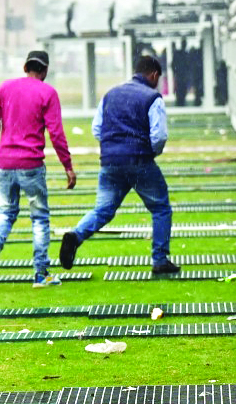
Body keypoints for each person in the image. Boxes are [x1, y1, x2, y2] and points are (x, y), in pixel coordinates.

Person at [59, 54, 178, 274]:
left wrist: (114, 146)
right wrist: (150, 152)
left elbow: (97, 128)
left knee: (103, 209)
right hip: (140, 160)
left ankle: (76, 235)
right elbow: (159, 135)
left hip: (110, 162)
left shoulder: (110, 94)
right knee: (160, 207)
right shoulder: (153, 98)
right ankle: (160, 259)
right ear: (153, 75)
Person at [0, 50, 77, 287]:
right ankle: (41, 273)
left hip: (5, 161)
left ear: (25, 67)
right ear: (45, 70)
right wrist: (67, 165)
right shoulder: (48, 92)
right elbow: (56, 133)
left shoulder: (4, 89)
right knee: (39, 218)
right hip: (31, 164)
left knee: (5, 212)